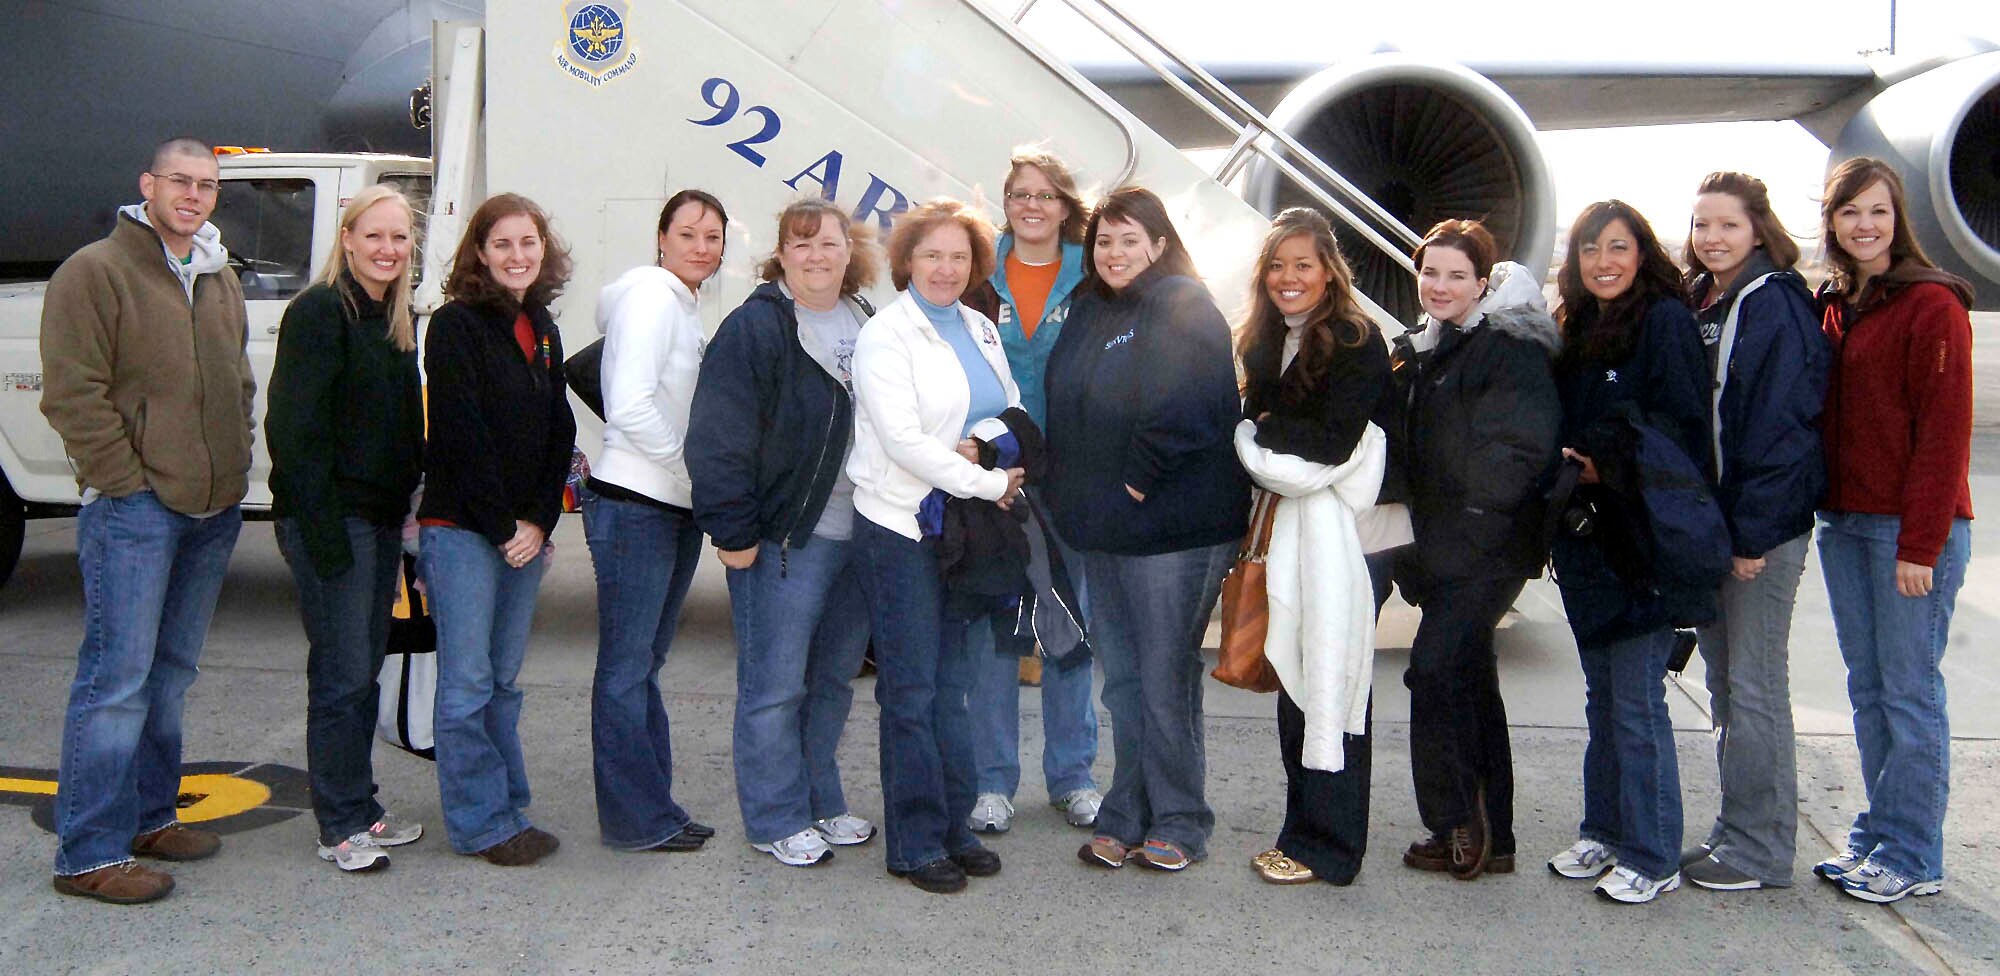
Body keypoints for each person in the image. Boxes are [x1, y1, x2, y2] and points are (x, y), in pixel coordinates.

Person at [41, 136, 256, 903]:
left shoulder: (218, 274)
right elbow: (72, 392)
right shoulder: (95, 271)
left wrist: (235, 464)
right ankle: (87, 855)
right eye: (180, 181)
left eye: (207, 185)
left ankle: (149, 818)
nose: (193, 195)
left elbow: (237, 381)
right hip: (135, 512)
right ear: (148, 185)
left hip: (211, 509)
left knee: (168, 678)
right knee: (116, 682)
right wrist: (125, 483)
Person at [1045, 186, 1251, 873]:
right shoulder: (1090, 309)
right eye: (1104, 240)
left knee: (1164, 676)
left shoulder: (1181, 302)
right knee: (1125, 681)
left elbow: (1187, 402)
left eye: (1129, 239)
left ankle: (1181, 820)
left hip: (1173, 530)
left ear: (1160, 244)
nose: (1115, 253)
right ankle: (1126, 812)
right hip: (1108, 530)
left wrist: (1134, 480)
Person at [687, 199, 882, 868]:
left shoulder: (866, 319)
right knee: (774, 688)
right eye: (801, 245)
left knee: (831, 681)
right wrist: (733, 529)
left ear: (849, 250)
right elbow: (718, 436)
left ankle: (821, 801)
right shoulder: (757, 327)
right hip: (787, 540)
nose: (816, 256)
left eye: (828, 243)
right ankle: (775, 817)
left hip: (860, 536)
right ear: (781, 255)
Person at [1812, 157, 1975, 904]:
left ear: (1897, 217)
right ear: (1832, 221)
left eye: (1877, 210)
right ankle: (1879, 835)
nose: (1864, 225)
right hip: (1845, 525)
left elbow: (1945, 435)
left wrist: (1920, 546)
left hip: (1910, 533)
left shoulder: (1931, 304)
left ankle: (1913, 854)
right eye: (1850, 211)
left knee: (1910, 694)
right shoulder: (1838, 305)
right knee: (1870, 690)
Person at [847, 198, 1023, 893]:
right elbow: (903, 442)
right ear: (907, 262)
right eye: (932, 255)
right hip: (900, 532)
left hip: (959, 532)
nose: (946, 269)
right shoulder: (885, 335)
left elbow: (1012, 406)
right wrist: (988, 481)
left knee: (952, 687)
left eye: (958, 256)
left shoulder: (980, 326)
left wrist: (988, 446)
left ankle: (955, 827)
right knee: (912, 691)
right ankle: (915, 844)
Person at [1545, 200, 1711, 905]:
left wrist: (1605, 460)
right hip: (1587, 539)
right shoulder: (1577, 325)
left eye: (1617, 247)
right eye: (1590, 248)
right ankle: (1605, 831)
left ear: (1642, 253)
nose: (1603, 261)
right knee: (1602, 697)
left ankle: (1652, 851)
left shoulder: (1664, 321)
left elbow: (1680, 422)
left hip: (1642, 538)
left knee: (1638, 701)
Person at [1235, 208, 1406, 886]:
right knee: (1298, 682)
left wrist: (1264, 429)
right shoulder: (1265, 338)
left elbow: (1333, 444)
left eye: (1303, 264)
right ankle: (1301, 833)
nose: (1289, 277)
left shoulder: (1357, 340)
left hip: (1353, 540)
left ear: (1329, 271)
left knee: (1335, 679)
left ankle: (1332, 846)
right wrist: (1269, 428)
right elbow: (1268, 427)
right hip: (1294, 530)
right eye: (1277, 266)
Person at [1391, 219, 1560, 882]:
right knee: (1469, 679)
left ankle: (1457, 820)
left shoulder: (1507, 348)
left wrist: (1465, 534)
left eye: (1457, 275)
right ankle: (1498, 837)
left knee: (1433, 671)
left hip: (1485, 549)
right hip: (1444, 548)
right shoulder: (1424, 347)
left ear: (1482, 283)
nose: (1440, 285)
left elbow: (1516, 451)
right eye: (1430, 272)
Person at [267, 185, 427, 873]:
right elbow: (292, 431)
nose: (388, 249)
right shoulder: (319, 312)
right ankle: (338, 824)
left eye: (399, 237)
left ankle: (361, 807)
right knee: (341, 673)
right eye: (375, 235)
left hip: (380, 521)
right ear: (348, 239)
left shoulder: (392, 317)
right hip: (333, 520)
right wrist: (327, 541)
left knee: (362, 670)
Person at [1677, 172, 1829, 891]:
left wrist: (1750, 538)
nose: (1712, 237)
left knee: (1755, 685)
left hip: (1757, 536)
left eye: (1728, 225)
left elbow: (1781, 431)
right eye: (1701, 224)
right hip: (1719, 529)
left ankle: (1762, 850)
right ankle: (1736, 829)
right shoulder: (1708, 299)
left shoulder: (1775, 306)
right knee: (1726, 685)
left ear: (1758, 230)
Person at [418, 193, 577, 866]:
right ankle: (481, 825)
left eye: (528, 242)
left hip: (522, 534)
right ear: (480, 253)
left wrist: (539, 519)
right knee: (467, 687)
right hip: (463, 531)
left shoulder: (540, 325)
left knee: (503, 684)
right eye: (503, 244)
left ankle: (509, 808)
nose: (518, 256)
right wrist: (504, 525)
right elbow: (461, 432)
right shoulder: (454, 325)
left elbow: (559, 429)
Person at [958, 148, 1102, 834]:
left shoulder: (1094, 276)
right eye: (1020, 194)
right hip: (996, 481)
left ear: (1065, 206)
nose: (1031, 206)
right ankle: (991, 782)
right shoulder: (977, 273)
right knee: (995, 637)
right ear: (1006, 202)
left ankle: (1073, 778)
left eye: (1045, 195)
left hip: (1072, 483)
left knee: (1068, 632)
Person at [581, 190, 728, 854]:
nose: (701, 246)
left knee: (644, 665)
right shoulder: (650, 297)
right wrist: (693, 472)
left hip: (670, 505)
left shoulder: (684, 305)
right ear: (661, 238)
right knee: (626, 668)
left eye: (713, 236)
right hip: (636, 505)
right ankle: (634, 820)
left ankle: (655, 806)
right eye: (688, 233)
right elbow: (630, 405)